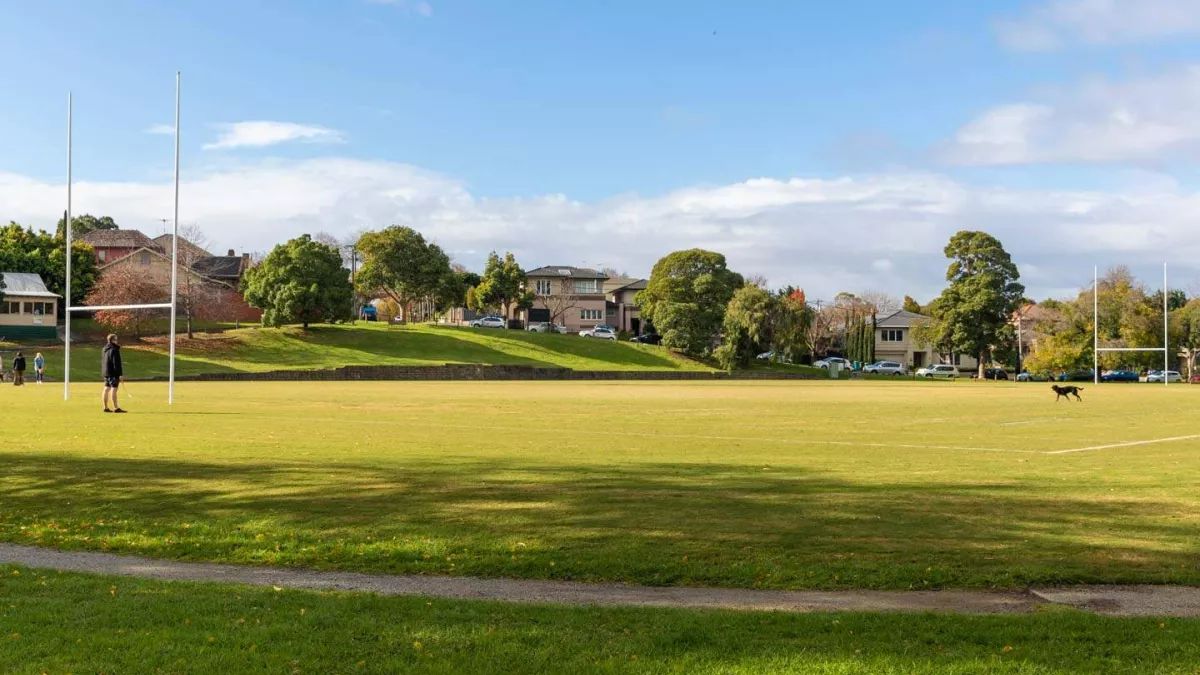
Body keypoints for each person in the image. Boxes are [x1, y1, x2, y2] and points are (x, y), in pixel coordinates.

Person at [101, 334, 126, 413]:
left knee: (106, 389)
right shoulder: (114, 349)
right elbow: (116, 363)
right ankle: (116, 407)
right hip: (113, 373)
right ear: (113, 340)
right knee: (114, 389)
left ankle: (105, 407)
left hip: (106, 372)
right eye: (116, 339)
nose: (117, 341)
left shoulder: (105, 349)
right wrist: (120, 374)